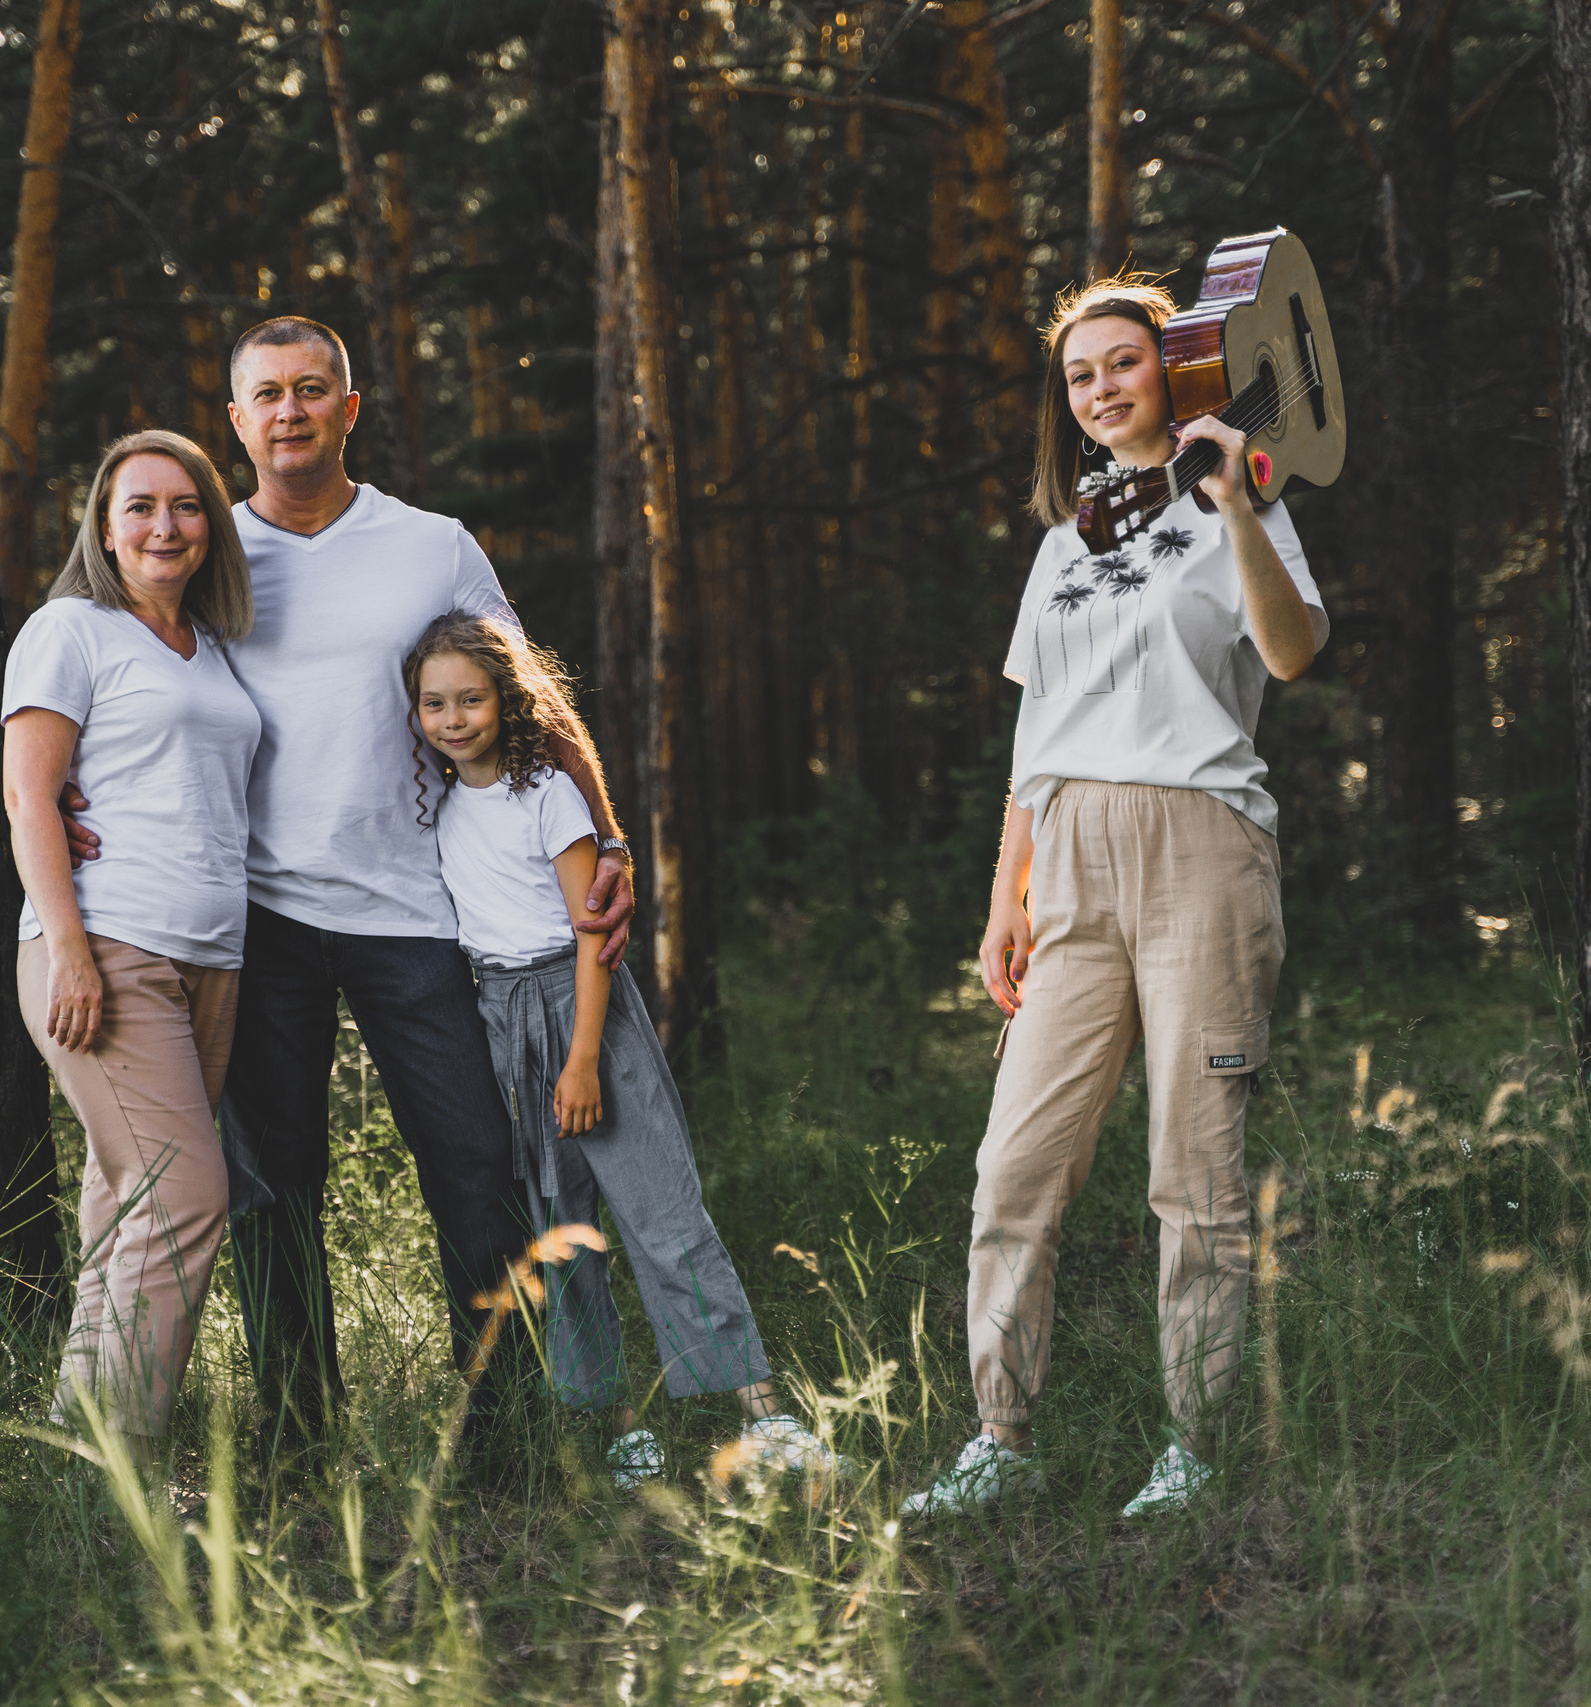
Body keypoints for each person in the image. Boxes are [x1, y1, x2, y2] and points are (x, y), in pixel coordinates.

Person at [64, 317, 635, 1466]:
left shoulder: (429, 545)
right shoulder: (205, 551)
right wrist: (79, 798)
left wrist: (606, 833)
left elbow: (526, 692)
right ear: (236, 421)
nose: (290, 412)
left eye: (312, 390)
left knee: (475, 1171)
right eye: (266, 394)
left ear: (349, 408)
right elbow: (118, 676)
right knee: (273, 1189)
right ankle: (295, 1435)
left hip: (418, 913)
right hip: (256, 919)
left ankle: (505, 1434)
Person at [901, 276, 1328, 1519]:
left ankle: (1196, 1449)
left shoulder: (1245, 502)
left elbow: (1293, 654)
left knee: (1192, 1175)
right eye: (1079, 374)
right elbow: (1037, 738)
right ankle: (1001, 1434)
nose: (1099, 388)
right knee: (1012, 1169)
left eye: (1121, 363)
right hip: (1071, 854)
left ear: (1171, 372)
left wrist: (1235, 507)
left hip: (1204, 844)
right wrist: (1005, 898)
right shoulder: (1057, 547)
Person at [405, 612, 843, 1489]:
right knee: (555, 1229)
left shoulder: (549, 795)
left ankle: (764, 1410)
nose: (453, 719)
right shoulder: (443, 803)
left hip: (582, 1003)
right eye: (433, 704)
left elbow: (593, 935)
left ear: (509, 699)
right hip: (499, 1011)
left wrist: (580, 1059)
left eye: (472, 698)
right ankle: (613, 1422)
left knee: (664, 1215)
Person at [2, 430, 261, 1471]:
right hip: (110, 950)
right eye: (140, 506)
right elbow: (28, 794)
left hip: (212, 961)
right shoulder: (71, 629)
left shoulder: (210, 644)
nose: (165, 525)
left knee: (127, 1205)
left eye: (186, 505)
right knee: (185, 1195)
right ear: (103, 529)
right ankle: (130, 1462)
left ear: (210, 523)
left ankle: (78, 1446)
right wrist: (68, 949)